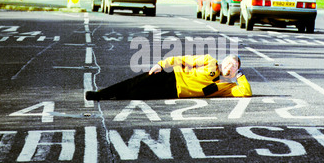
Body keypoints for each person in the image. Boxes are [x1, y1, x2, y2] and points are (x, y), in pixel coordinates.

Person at [85, 54, 252, 101]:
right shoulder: (210, 62)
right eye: (229, 62)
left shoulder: (226, 87)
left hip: (173, 93)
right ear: (224, 61)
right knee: (134, 83)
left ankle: (111, 96)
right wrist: (161, 64)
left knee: (135, 94)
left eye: (235, 67)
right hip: (171, 78)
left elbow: (246, 92)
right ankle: (99, 94)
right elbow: (182, 59)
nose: (230, 67)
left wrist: (240, 76)